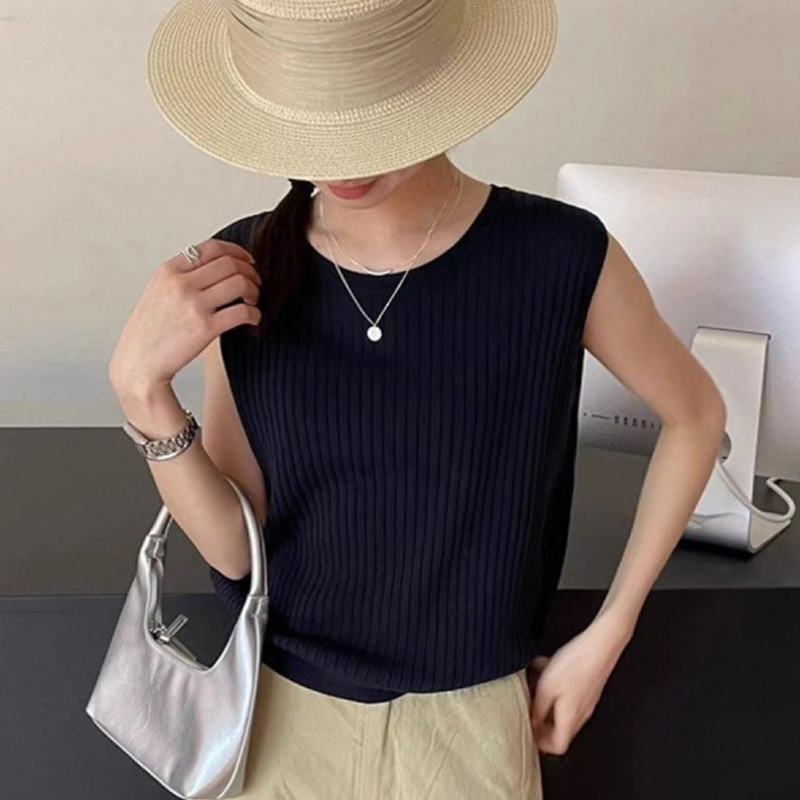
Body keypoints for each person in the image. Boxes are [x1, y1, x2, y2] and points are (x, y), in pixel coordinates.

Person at [109, 1, 727, 797]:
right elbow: (237, 548)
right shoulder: (247, 267)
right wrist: (142, 391)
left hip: (471, 731)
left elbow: (696, 414)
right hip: (277, 725)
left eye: (371, 122)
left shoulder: (559, 254)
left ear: (439, 87)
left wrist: (611, 630)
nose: (343, 163)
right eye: (315, 125)